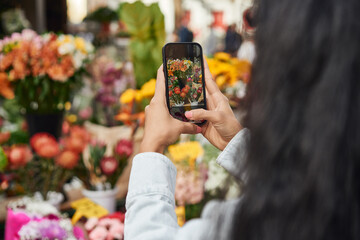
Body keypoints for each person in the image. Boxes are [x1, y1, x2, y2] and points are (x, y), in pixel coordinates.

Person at [125, 0, 360, 239]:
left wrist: (151, 147)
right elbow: (306, 192)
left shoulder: (259, 226)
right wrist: (238, 143)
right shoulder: (341, 196)